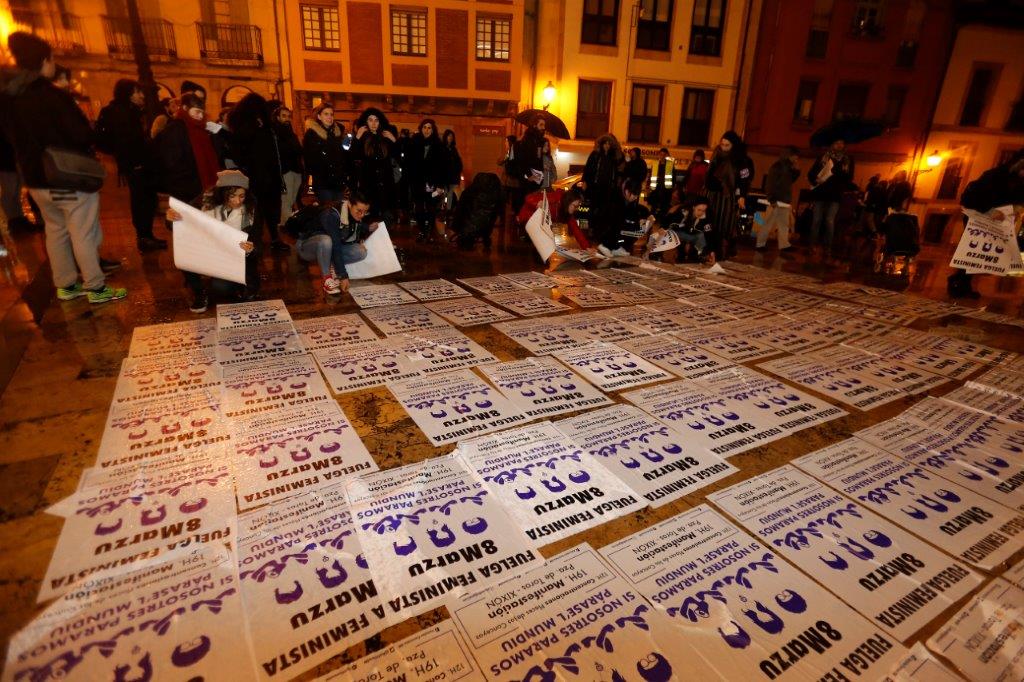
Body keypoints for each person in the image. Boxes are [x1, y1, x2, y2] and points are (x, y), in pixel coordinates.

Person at [2, 32, 126, 303]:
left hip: (35, 179)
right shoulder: (51, 96)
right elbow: (80, 134)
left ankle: (66, 285)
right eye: (52, 59)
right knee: (83, 231)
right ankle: (95, 286)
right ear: (45, 61)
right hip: (67, 177)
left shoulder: (10, 97)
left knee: (55, 230)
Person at [166, 170, 257, 312]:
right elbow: (181, 222)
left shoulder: (251, 210)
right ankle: (199, 293)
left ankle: (234, 284)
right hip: (206, 251)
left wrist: (251, 249)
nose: (237, 201)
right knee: (185, 253)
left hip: (232, 259)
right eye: (232, 196)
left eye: (242, 196)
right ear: (221, 194)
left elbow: (258, 247)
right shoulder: (204, 201)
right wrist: (171, 218)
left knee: (221, 288)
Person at [95, 79, 166, 251]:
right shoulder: (123, 113)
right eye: (137, 92)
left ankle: (146, 236)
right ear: (128, 94)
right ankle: (144, 237)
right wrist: (134, 160)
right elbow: (127, 141)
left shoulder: (128, 111)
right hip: (136, 165)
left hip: (135, 164)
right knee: (142, 200)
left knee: (144, 200)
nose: (141, 95)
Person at [947, 150, 1024, 298]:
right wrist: (990, 211)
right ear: (1018, 165)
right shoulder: (997, 175)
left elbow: (1017, 199)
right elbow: (984, 195)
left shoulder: (1018, 181)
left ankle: (960, 282)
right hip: (977, 213)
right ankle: (958, 282)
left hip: (994, 217)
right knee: (974, 250)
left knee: (979, 253)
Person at [227, 93, 288, 252]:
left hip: (269, 177)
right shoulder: (247, 128)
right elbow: (239, 153)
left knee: (271, 211)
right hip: (256, 178)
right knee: (256, 212)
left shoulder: (265, 126)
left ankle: (273, 238)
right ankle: (256, 241)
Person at [154, 93, 222, 205]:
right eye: (197, 112)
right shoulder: (175, 128)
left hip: (202, 187)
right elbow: (172, 162)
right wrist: (188, 183)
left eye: (202, 112)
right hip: (185, 189)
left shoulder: (202, 128)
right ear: (185, 108)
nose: (200, 116)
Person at [305, 192, 376, 295]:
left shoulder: (350, 212)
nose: (362, 215)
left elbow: (355, 225)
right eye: (359, 211)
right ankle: (326, 278)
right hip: (307, 247)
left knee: (360, 251)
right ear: (350, 204)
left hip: (327, 249)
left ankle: (333, 266)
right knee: (326, 241)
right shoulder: (331, 215)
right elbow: (336, 246)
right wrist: (343, 276)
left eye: (365, 212)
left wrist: (368, 228)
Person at [705, 131, 753, 259]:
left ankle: (723, 249)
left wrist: (742, 195)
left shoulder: (741, 160)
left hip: (728, 196)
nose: (724, 148)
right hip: (713, 194)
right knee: (711, 221)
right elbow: (709, 174)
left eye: (727, 145)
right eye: (722, 144)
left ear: (734, 145)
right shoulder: (716, 156)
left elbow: (744, 179)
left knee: (725, 223)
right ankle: (710, 250)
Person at [807, 138, 855, 257]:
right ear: (832, 144)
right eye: (836, 143)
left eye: (841, 143)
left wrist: (839, 176)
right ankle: (812, 245)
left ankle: (827, 247)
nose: (839, 145)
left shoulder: (847, 160)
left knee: (829, 221)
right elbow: (811, 173)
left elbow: (849, 178)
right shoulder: (824, 157)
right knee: (816, 220)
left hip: (835, 195)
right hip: (821, 193)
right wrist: (816, 179)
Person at [582, 133, 624, 256]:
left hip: (608, 188)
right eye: (605, 143)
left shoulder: (613, 157)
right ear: (601, 144)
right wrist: (585, 181)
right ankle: (591, 228)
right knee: (593, 208)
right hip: (595, 187)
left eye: (609, 144)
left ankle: (599, 231)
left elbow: (619, 168)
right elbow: (588, 169)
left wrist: (618, 148)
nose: (607, 146)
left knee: (604, 210)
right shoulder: (595, 155)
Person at [354, 108, 397, 226]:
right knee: (369, 217)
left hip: (385, 184)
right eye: (370, 120)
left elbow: (398, 156)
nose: (373, 123)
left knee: (386, 217)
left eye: (376, 120)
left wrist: (393, 140)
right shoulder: (362, 138)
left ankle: (384, 242)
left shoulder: (385, 137)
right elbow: (352, 155)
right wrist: (357, 137)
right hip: (368, 185)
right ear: (366, 122)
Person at [407, 118, 445, 242]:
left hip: (431, 182)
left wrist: (439, 185)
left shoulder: (438, 145)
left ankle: (429, 231)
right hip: (417, 181)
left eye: (429, 128)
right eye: (424, 127)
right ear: (421, 128)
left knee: (430, 207)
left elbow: (441, 166)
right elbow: (409, 162)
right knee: (418, 208)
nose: (426, 130)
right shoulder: (414, 142)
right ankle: (423, 230)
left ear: (433, 130)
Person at [756, 145, 799, 252]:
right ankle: (760, 244)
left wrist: (796, 171)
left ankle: (784, 244)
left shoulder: (788, 167)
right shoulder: (777, 167)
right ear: (790, 156)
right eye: (795, 156)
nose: (797, 159)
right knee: (768, 223)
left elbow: (789, 182)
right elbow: (770, 183)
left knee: (783, 224)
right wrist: (771, 199)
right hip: (776, 199)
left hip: (784, 200)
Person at [303, 102, 348, 203]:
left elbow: (342, 156)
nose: (329, 117)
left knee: (337, 211)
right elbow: (309, 160)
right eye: (326, 114)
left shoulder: (336, 133)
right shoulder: (311, 134)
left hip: (338, 182)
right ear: (319, 116)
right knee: (327, 211)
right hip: (323, 183)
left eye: (331, 114)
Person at [597, 180, 649, 257]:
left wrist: (641, 220)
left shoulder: (629, 202)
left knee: (636, 230)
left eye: (637, 195)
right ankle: (606, 245)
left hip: (616, 231)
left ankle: (616, 247)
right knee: (628, 228)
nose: (635, 198)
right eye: (634, 195)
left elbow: (634, 214)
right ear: (627, 192)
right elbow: (614, 223)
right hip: (606, 232)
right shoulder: (615, 201)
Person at [274, 105, 304, 228]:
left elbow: (299, 150)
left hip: (296, 169)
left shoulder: (291, 133)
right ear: (277, 117)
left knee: (291, 200)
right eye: (284, 116)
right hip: (285, 171)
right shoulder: (276, 134)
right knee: (286, 201)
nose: (287, 119)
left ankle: (286, 223)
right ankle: (286, 225)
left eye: (288, 116)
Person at [516, 116, 547, 194]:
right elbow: (522, 159)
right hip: (529, 181)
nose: (543, 128)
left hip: (537, 178)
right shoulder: (528, 139)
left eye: (544, 125)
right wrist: (528, 175)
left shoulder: (539, 140)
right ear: (534, 125)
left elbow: (538, 158)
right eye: (541, 125)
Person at [440, 128, 462, 215]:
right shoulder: (442, 148)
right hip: (444, 176)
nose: (450, 138)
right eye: (449, 136)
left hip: (453, 176)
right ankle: (442, 209)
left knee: (451, 194)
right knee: (443, 193)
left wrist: (458, 171)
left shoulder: (453, 149)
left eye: (452, 136)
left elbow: (458, 162)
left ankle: (448, 210)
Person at [647, 147, 674, 218]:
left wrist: (673, 188)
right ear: (659, 155)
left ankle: (662, 219)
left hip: (666, 189)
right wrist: (648, 185)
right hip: (656, 188)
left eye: (664, 155)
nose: (662, 156)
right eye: (661, 154)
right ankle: (652, 219)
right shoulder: (655, 164)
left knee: (664, 206)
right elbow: (651, 175)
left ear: (666, 155)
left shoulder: (670, 165)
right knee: (654, 206)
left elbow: (673, 177)